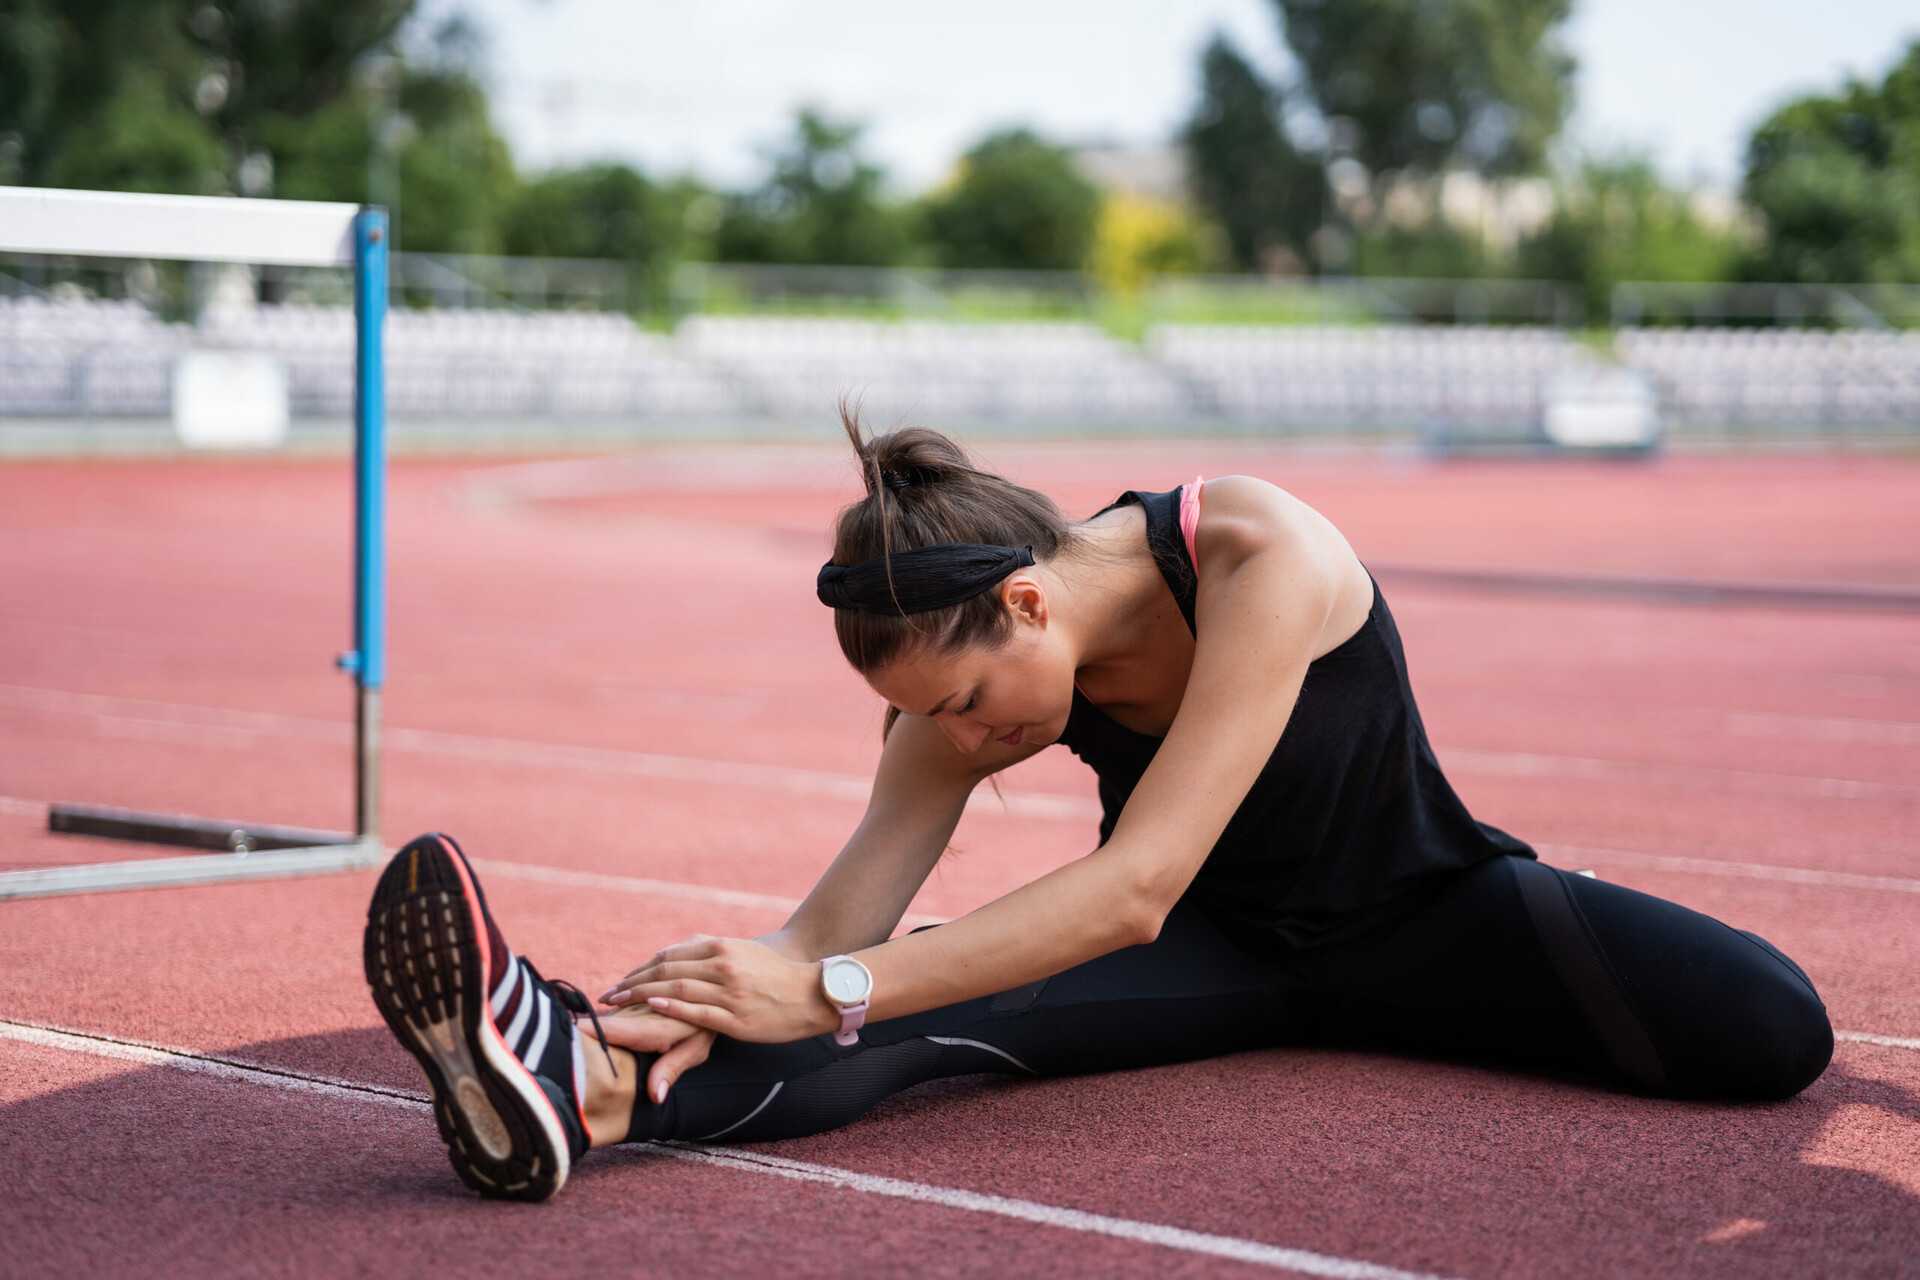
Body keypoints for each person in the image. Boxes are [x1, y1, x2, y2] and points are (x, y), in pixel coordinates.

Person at [364, 416, 1833, 1202]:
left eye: (962, 706)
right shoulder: (968, 666)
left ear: (1026, 597)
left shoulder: (1262, 554)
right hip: (1219, 953)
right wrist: (759, 987)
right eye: (933, 722)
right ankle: (563, 1075)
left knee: (1773, 1030)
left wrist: (834, 980)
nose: (958, 739)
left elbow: (1133, 879)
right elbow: (832, 930)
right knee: (884, 1027)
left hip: (1427, 914)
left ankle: (579, 1066)